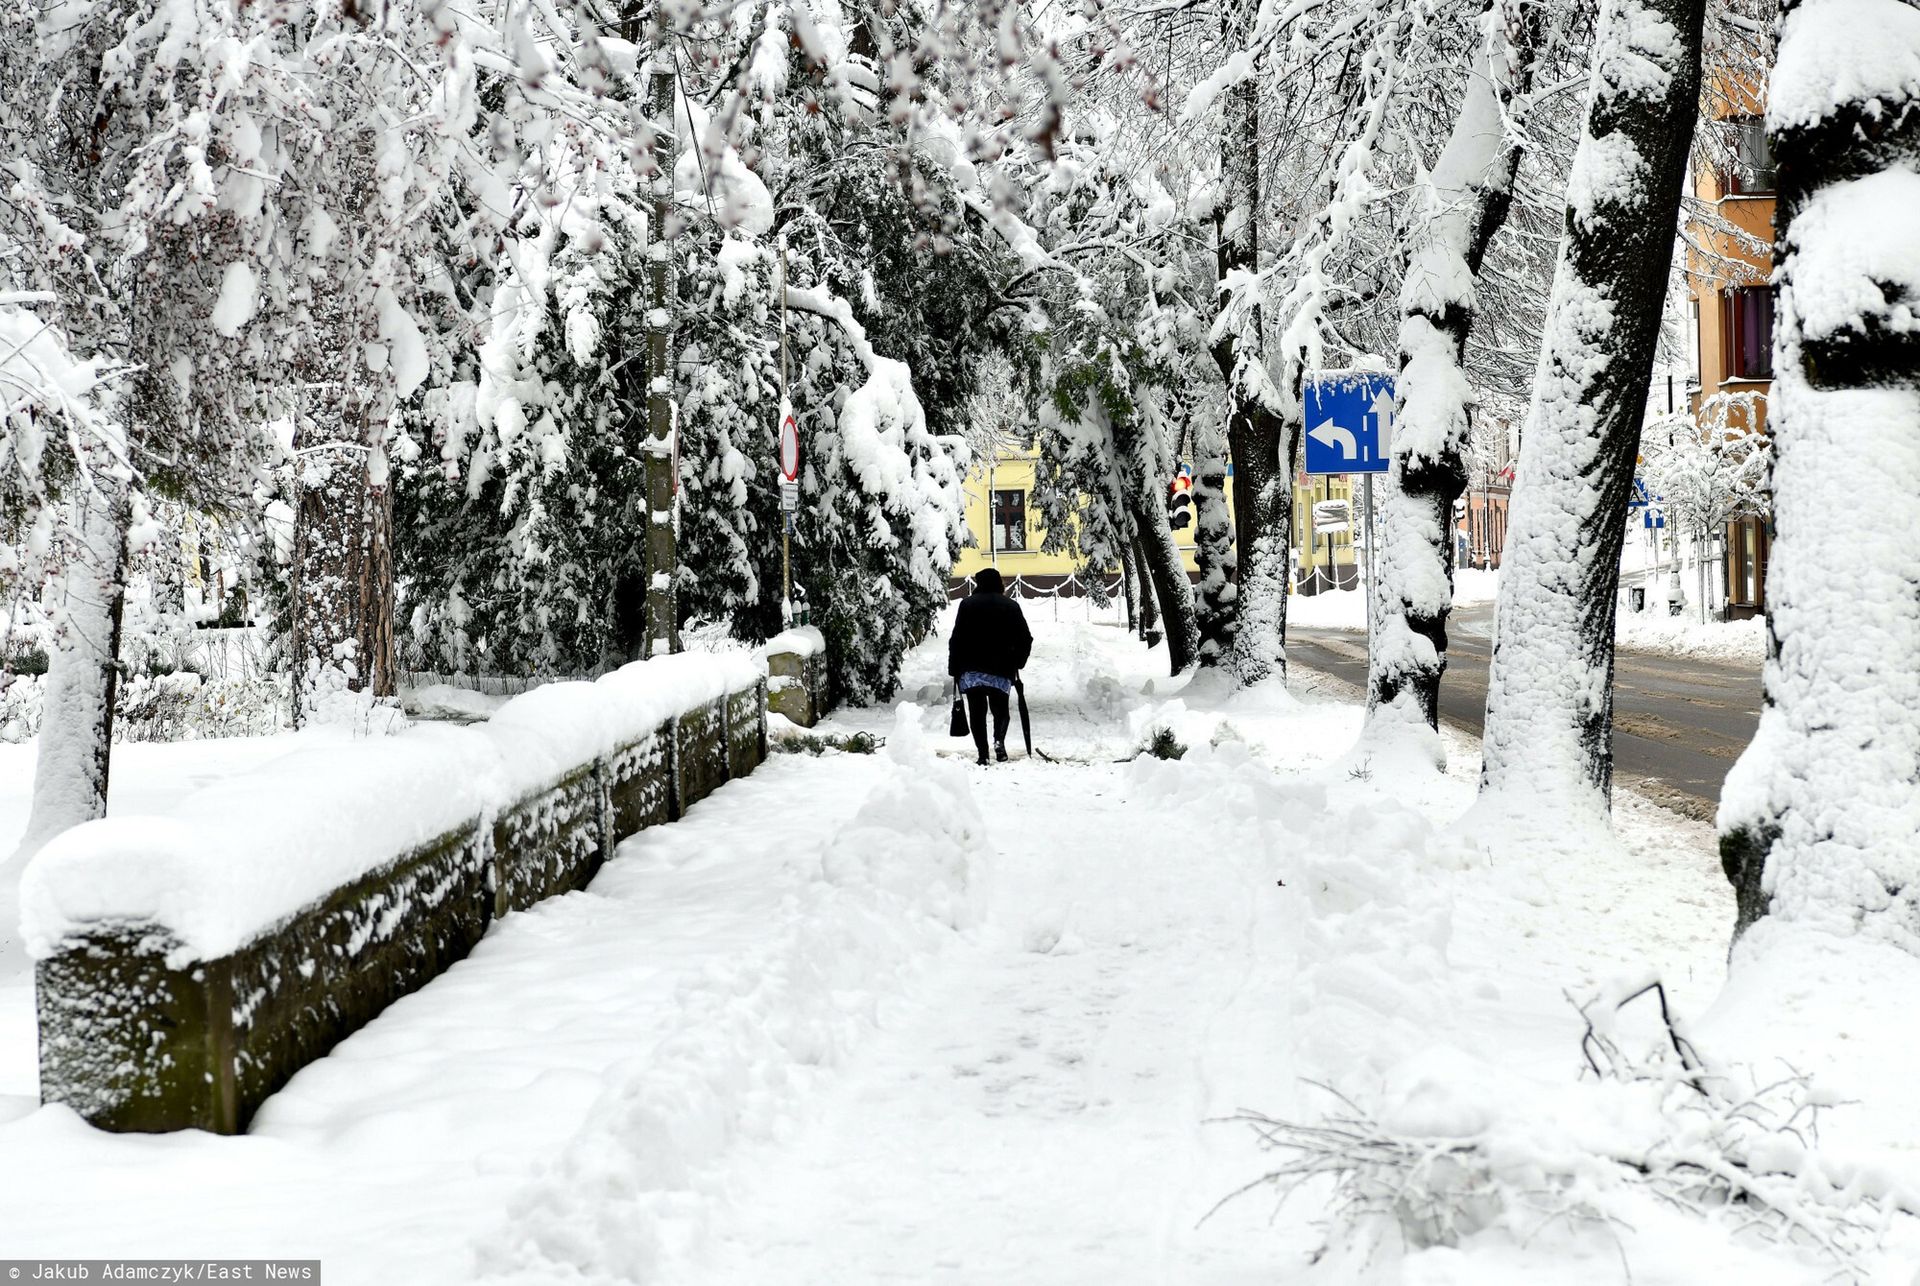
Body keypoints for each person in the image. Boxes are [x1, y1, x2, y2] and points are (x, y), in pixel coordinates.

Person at [947, 567, 1033, 765]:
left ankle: (983, 754)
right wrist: (1018, 660)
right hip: (1001, 668)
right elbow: (1025, 638)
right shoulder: (1011, 606)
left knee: (977, 712)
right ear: (998, 583)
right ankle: (999, 743)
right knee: (1000, 710)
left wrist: (954, 668)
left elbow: (957, 639)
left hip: (971, 669)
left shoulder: (967, 605)